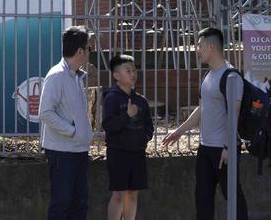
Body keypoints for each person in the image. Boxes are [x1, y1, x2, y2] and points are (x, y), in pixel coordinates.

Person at [162, 28, 248, 219]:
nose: (197, 50)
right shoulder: (208, 77)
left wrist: (228, 146)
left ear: (212, 46)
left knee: (233, 198)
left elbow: (234, 114)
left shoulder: (231, 76)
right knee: (202, 200)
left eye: (199, 46)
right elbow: (202, 109)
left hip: (224, 150)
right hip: (205, 148)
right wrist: (179, 131)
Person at [38, 26, 94, 220]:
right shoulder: (56, 76)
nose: (89, 52)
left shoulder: (75, 75)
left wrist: (82, 135)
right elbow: (45, 113)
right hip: (62, 152)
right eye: (88, 48)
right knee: (61, 204)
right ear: (80, 51)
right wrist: (72, 131)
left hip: (78, 150)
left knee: (80, 205)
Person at [102, 55, 154, 220]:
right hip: (118, 153)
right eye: (128, 71)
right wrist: (127, 115)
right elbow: (108, 125)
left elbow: (149, 126)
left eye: (134, 70)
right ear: (116, 75)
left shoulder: (141, 100)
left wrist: (144, 137)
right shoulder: (111, 97)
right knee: (118, 194)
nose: (133, 74)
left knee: (133, 194)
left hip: (137, 153)